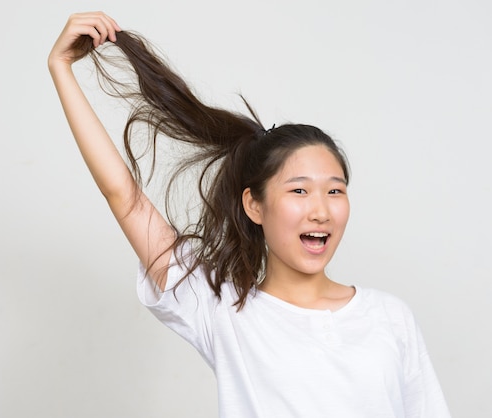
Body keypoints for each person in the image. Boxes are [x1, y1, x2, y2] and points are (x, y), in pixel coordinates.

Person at [48, 11, 451, 418]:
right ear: (254, 205)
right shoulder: (223, 312)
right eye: (299, 190)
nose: (321, 209)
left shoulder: (389, 317)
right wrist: (60, 68)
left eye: (335, 190)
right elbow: (124, 197)